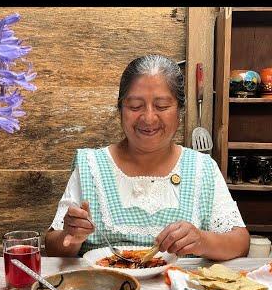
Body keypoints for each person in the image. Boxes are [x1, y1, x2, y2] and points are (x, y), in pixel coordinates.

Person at [45, 54, 250, 261]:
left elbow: (240, 243)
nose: (149, 118)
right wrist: (70, 235)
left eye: (161, 106)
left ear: (179, 111)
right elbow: (53, 247)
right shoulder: (91, 166)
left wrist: (202, 241)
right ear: (120, 110)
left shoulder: (202, 168)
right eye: (135, 106)